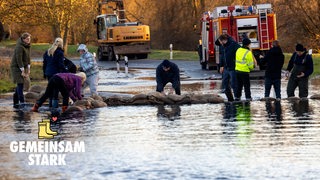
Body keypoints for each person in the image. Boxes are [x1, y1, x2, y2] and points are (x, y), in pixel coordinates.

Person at [43, 37, 67, 108]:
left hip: (48, 73)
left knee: (50, 89)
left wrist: (44, 73)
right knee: (55, 91)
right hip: (56, 74)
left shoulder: (47, 51)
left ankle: (50, 106)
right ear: (61, 44)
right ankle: (54, 108)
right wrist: (66, 72)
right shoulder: (60, 53)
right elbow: (60, 65)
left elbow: (44, 64)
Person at [10, 32, 31, 108]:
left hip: (23, 66)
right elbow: (19, 59)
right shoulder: (19, 47)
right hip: (16, 67)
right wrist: (22, 71)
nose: (29, 40)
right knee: (20, 83)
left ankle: (15, 102)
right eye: (27, 39)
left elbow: (28, 58)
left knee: (22, 84)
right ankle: (22, 103)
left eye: (29, 39)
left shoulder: (27, 46)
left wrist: (28, 69)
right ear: (23, 39)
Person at [218, 34, 241, 101]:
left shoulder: (233, 44)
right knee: (225, 83)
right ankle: (230, 98)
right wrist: (221, 65)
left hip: (233, 67)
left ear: (224, 40)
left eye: (220, 41)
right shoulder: (222, 47)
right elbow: (222, 56)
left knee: (234, 84)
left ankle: (237, 97)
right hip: (225, 67)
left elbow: (240, 52)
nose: (220, 43)